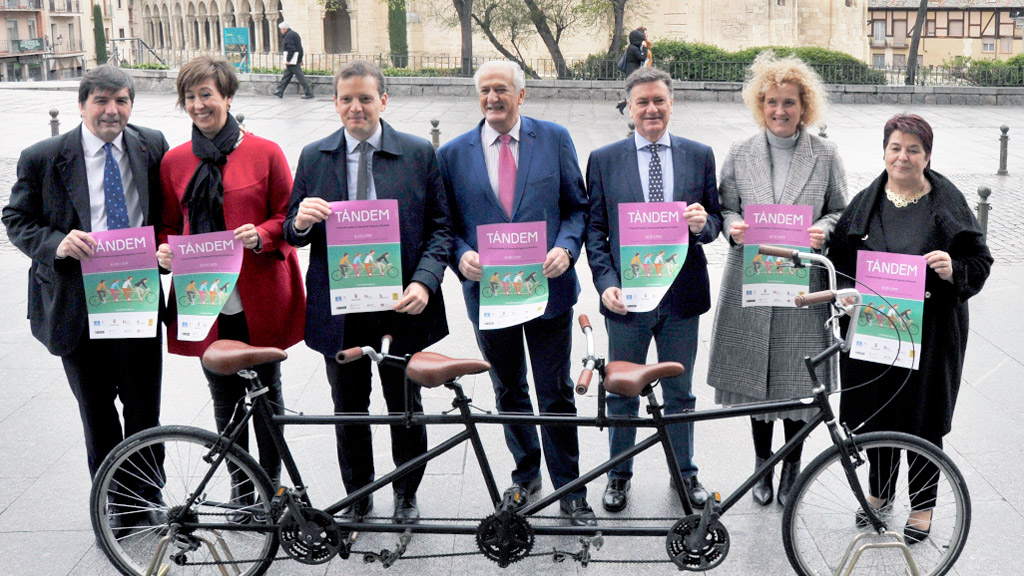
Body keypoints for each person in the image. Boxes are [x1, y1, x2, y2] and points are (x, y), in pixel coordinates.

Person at [284, 60, 453, 525]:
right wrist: (301, 222)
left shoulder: (417, 153)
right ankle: (358, 494)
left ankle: (406, 493)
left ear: (383, 100)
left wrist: (425, 281)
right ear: (335, 103)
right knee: (348, 408)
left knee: (405, 407)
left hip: (401, 304)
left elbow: (441, 227)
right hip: (342, 308)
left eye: (364, 98)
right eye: (346, 99)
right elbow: (291, 229)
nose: (355, 107)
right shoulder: (314, 156)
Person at [2, 65, 167, 531]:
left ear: (131, 105)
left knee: (144, 409)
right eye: (101, 101)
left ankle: (148, 494)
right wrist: (57, 243)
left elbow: (166, 209)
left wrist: (167, 249)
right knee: (96, 412)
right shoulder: (43, 157)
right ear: (81, 106)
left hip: (135, 298)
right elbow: (16, 218)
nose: (112, 110)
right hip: (76, 304)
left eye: (121, 100)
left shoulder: (151, 145)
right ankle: (114, 503)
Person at [437, 60, 594, 526]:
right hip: (490, 295)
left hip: (548, 290)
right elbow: (445, 223)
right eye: (485, 90)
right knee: (508, 388)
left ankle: (569, 485)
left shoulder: (555, 139)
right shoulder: (453, 154)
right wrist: (461, 255)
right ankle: (526, 474)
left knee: (555, 390)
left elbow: (577, 208)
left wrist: (566, 248)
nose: (492, 98)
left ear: (521, 95)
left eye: (501, 89)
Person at [829, 114, 991, 544]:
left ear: (927, 155)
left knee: (924, 418)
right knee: (878, 411)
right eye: (895, 148)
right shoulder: (865, 202)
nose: (903, 157)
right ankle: (880, 494)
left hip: (933, 332)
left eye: (913, 149)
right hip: (876, 333)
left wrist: (953, 268)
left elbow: (980, 261)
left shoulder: (946, 201)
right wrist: (845, 295)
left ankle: (922, 506)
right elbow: (840, 263)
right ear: (884, 152)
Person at [156, 56, 306, 498]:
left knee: (267, 396)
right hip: (205, 300)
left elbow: (288, 215)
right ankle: (242, 488)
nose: (198, 105)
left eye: (207, 94)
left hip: (258, 293)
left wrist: (261, 234)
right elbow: (168, 223)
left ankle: (271, 488)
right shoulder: (174, 161)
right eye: (190, 97)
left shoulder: (265, 152)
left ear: (228, 97)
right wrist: (164, 251)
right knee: (224, 400)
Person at [705, 52, 849, 508]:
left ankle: (792, 466)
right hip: (752, 281)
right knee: (756, 381)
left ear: (804, 107)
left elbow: (840, 209)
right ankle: (762, 463)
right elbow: (726, 207)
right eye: (772, 102)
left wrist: (823, 229)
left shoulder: (825, 154)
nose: (780, 111)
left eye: (789, 102)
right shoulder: (740, 153)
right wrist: (733, 226)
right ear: (760, 104)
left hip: (801, 285)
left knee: (798, 381)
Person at [586, 66, 721, 513]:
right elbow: (595, 231)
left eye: (659, 100)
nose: (651, 109)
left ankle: (685, 473)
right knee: (621, 391)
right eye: (642, 102)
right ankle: (618, 474)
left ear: (671, 104)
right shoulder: (604, 159)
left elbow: (716, 221)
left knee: (680, 393)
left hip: (681, 297)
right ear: (629, 107)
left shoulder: (699, 155)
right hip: (627, 299)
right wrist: (606, 283)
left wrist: (703, 226)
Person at [273, 22, 315, 100]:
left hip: (293, 60)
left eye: (281, 29)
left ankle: (309, 93)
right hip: (295, 59)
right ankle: (279, 91)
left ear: (284, 29)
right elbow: (299, 48)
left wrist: (288, 60)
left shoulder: (289, 36)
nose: (281, 31)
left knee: (300, 77)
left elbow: (291, 48)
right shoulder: (293, 34)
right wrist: (300, 59)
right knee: (286, 76)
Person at [615, 28, 651, 114]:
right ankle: (630, 105)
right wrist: (645, 47)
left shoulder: (633, 47)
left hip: (633, 71)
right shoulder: (633, 48)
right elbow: (642, 57)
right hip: (633, 72)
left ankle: (624, 104)